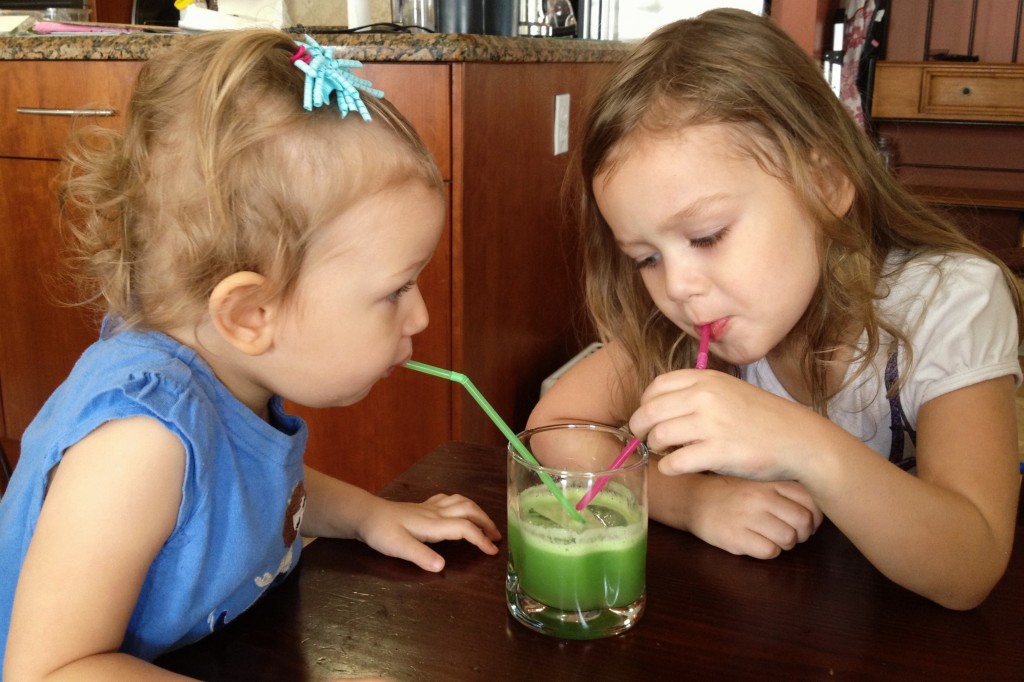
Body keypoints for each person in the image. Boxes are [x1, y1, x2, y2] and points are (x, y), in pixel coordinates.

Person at [0, 29, 501, 679]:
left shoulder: (229, 373)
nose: (423, 315)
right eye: (396, 289)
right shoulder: (141, 445)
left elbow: (254, 483)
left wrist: (370, 515)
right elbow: (50, 670)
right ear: (250, 315)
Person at [528, 9, 1022, 611]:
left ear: (827, 184)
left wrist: (801, 444)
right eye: (645, 258)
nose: (679, 285)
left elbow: (971, 564)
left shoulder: (952, 303)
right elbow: (555, 430)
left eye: (707, 236)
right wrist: (691, 503)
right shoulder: (686, 319)